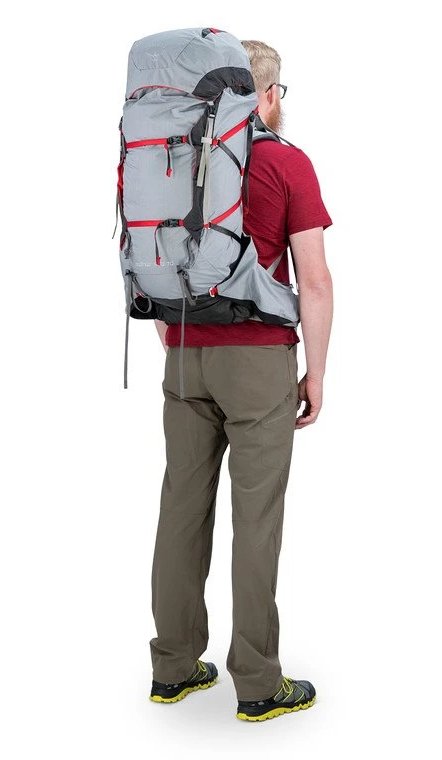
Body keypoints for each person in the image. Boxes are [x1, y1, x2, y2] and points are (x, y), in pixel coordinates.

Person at [148, 39, 334, 722]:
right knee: (256, 520)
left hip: (184, 351)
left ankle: (173, 668)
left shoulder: (174, 161)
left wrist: (177, 341)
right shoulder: (286, 161)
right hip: (258, 361)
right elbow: (314, 281)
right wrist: (316, 371)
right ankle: (257, 684)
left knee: (181, 509)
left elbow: (154, 257)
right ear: (268, 94)